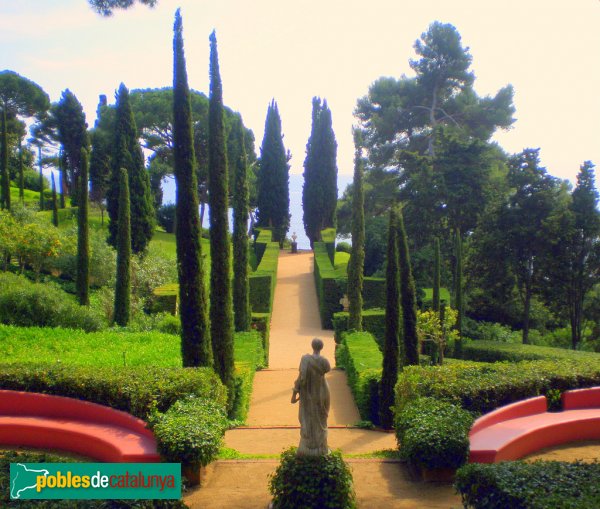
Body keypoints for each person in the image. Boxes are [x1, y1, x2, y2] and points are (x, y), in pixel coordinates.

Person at [291, 338, 331, 456]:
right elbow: (327, 370)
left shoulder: (305, 359)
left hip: (308, 393)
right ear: (321, 347)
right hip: (322, 392)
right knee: (321, 418)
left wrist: (295, 392)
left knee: (308, 417)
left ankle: (307, 447)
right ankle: (320, 447)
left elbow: (300, 378)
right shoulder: (325, 361)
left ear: (312, 346)